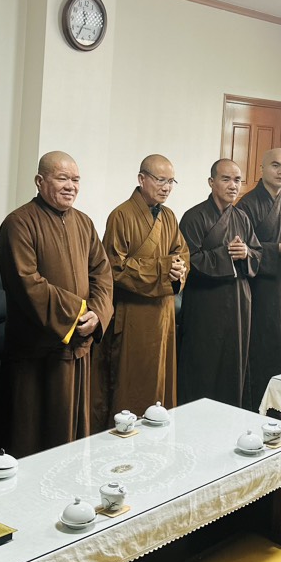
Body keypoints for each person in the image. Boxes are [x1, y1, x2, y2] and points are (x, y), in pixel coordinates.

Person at [0, 151, 113, 456]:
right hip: (37, 351)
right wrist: (79, 314)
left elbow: (102, 273)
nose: (71, 186)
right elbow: (27, 283)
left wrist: (97, 313)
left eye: (75, 179)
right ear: (40, 181)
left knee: (74, 440)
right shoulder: (18, 223)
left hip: (79, 344)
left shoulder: (83, 223)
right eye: (62, 178)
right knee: (32, 438)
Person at [92, 154, 188, 427]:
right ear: (141, 179)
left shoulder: (169, 216)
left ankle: (159, 434)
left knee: (161, 381)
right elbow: (115, 268)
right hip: (133, 313)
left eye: (171, 182)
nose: (166, 187)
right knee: (131, 382)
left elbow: (181, 254)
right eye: (161, 180)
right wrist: (164, 269)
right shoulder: (121, 215)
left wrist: (179, 270)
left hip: (163, 314)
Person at [178, 159, 262, 406]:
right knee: (203, 362)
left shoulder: (242, 218)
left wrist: (246, 253)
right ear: (211, 182)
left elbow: (257, 254)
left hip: (238, 302)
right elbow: (189, 260)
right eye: (226, 179)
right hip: (205, 303)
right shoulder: (194, 217)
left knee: (233, 362)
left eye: (237, 180)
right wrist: (225, 255)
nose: (233, 185)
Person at [236, 147, 281, 410]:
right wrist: (278, 249)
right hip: (258, 289)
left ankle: (279, 406)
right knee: (259, 346)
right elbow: (244, 250)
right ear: (262, 169)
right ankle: (255, 405)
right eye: (275, 165)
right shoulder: (247, 204)